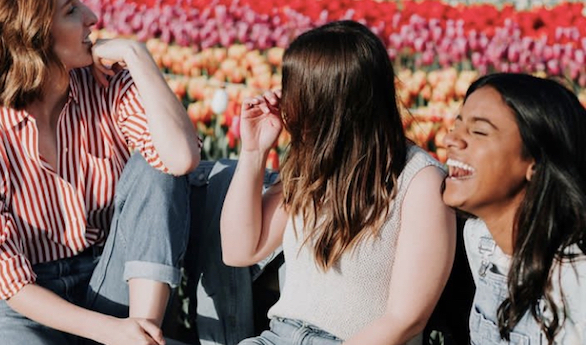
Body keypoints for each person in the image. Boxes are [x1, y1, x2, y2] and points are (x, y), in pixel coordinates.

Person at [220, 20, 456, 345]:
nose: (284, 100)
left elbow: (405, 319)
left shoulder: (420, 181)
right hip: (278, 336)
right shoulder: (312, 168)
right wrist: (254, 151)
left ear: (328, 102)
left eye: (294, 89)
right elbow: (239, 250)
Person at [0, 0, 200, 344]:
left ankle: (143, 336)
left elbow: (179, 159)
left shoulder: (107, 84)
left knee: (154, 160)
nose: (92, 17)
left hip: (111, 278)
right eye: (71, 10)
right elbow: (11, 283)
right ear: (30, 35)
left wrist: (137, 54)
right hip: (28, 303)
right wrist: (109, 332)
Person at [443, 73, 586, 344]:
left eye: (479, 131)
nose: (451, 140)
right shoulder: (480, 240)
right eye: (457, 125)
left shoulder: (576, 279)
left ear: (535, 162)